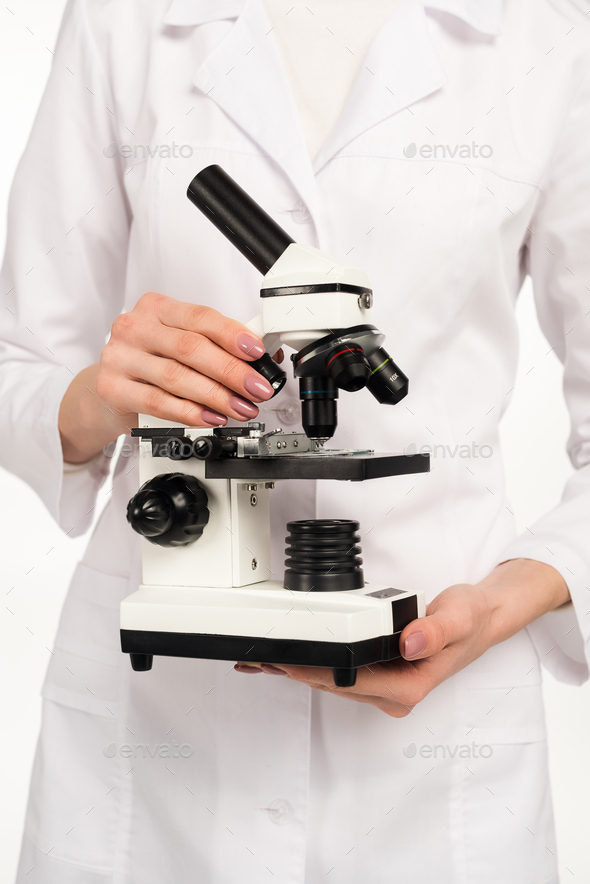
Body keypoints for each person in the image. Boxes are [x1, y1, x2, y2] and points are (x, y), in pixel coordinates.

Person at [1, 0, 589, 881]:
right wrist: (103, 394)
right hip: (156, 756)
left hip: (439, 765)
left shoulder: (549, 34)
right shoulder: (122, 18)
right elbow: (20, 362)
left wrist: (515, 595)